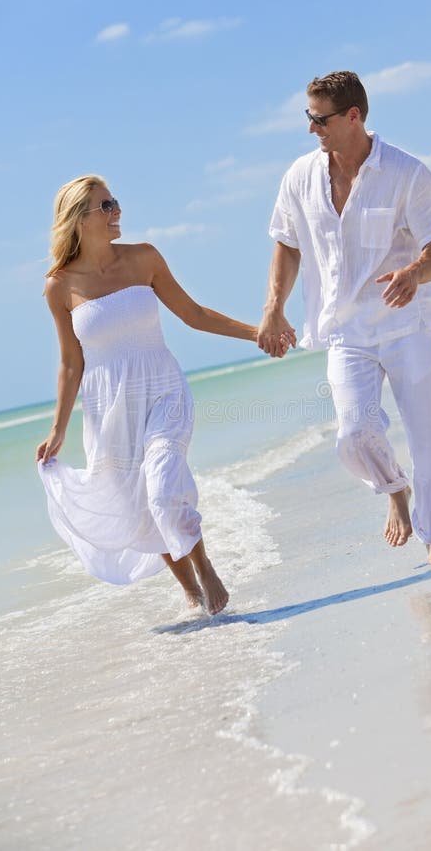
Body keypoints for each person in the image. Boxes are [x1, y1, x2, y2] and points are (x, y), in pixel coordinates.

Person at [258, 71, 431, 566]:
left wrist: (415, 272)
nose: (311, 129)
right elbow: (286, 243)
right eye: (308, 117)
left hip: (406, 321)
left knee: (429, 435)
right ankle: (394, 489)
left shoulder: (408, 172)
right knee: (352, 431)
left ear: (353, 116)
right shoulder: (299, 177)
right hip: (344, 330)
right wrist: (273, 307)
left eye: (319, 119)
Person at [37, 174, 257, 614]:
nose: (117, 210)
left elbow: (193, 314)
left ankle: (205, 567)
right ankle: (192, 597)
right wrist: (58, 428)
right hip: (108, 410)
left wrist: (258, 334)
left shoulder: (144, 258)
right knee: (140, 507)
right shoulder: (60, 285)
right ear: (79, 218)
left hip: (162, 392)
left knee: (160, 487)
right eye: (106, 205)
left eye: (115, 202)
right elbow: (70, 362)